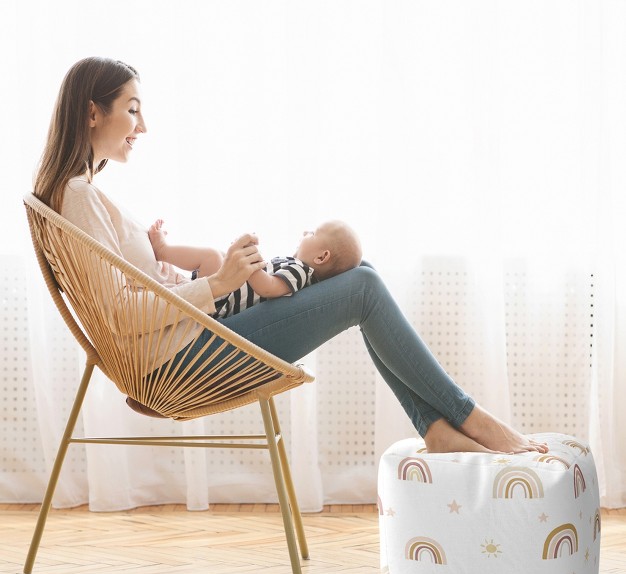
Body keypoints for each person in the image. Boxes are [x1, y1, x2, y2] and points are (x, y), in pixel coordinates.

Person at [34, 57, 548, 455]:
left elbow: (128, 296)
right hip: (178, 363)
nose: (141, 127)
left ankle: (437, 426)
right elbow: (121, 317)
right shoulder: (78, 196)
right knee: (363, 288)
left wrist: (181, 272)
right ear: (92, 110)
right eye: (132, 109)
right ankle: (466, 417)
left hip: (187, 343)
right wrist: (217, 284)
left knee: (360, 273)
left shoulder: (83, 194)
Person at [147, 218, 362, 318]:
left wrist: (249, 260)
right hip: (227, 295)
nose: (306, 231)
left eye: (313, 233)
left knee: (212, 256)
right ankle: (177, 271)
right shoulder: (297, 269)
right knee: (219, 257)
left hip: (224, 305)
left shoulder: (301, 272)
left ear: (322, 257)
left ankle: (163, 251)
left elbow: (268, 288)